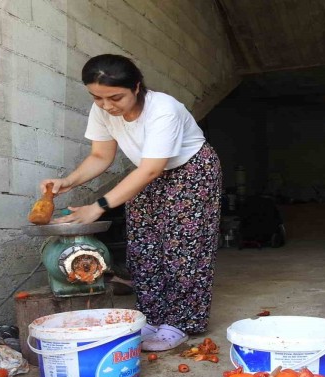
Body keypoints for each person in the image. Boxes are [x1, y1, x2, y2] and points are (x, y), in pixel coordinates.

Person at [39, 54, 222, 351]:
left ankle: (180, 322)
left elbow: (152, 168)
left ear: (136, 87)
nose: (107, 105)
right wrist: (67, 182)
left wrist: (98, 205)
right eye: (97, 98)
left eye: (115, 97)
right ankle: (151, 316)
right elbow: (101, 155)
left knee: (183, 246)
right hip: (145, 171)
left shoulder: (164, 110)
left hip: (190, 171)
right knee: (144, 245)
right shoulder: (102, 110)